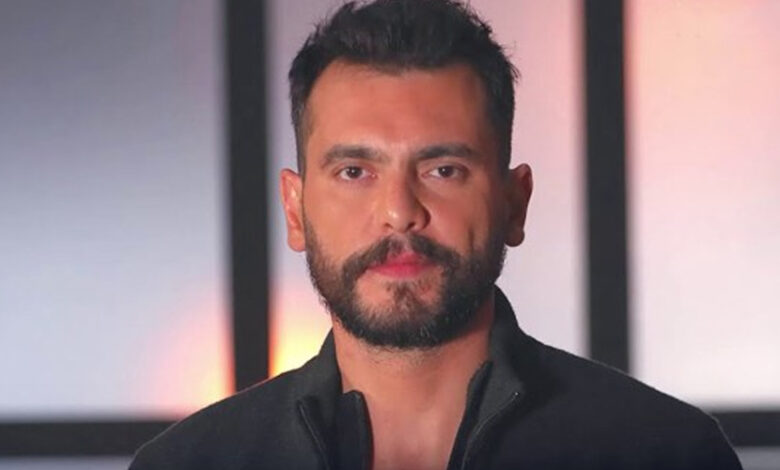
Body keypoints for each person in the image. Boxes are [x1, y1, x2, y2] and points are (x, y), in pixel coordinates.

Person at [130, 0, 742, 468]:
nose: (399, 212)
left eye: (443, 170)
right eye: (355, 172)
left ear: (514, 203)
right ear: (295, 210)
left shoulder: (663, 452)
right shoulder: (191, 464)